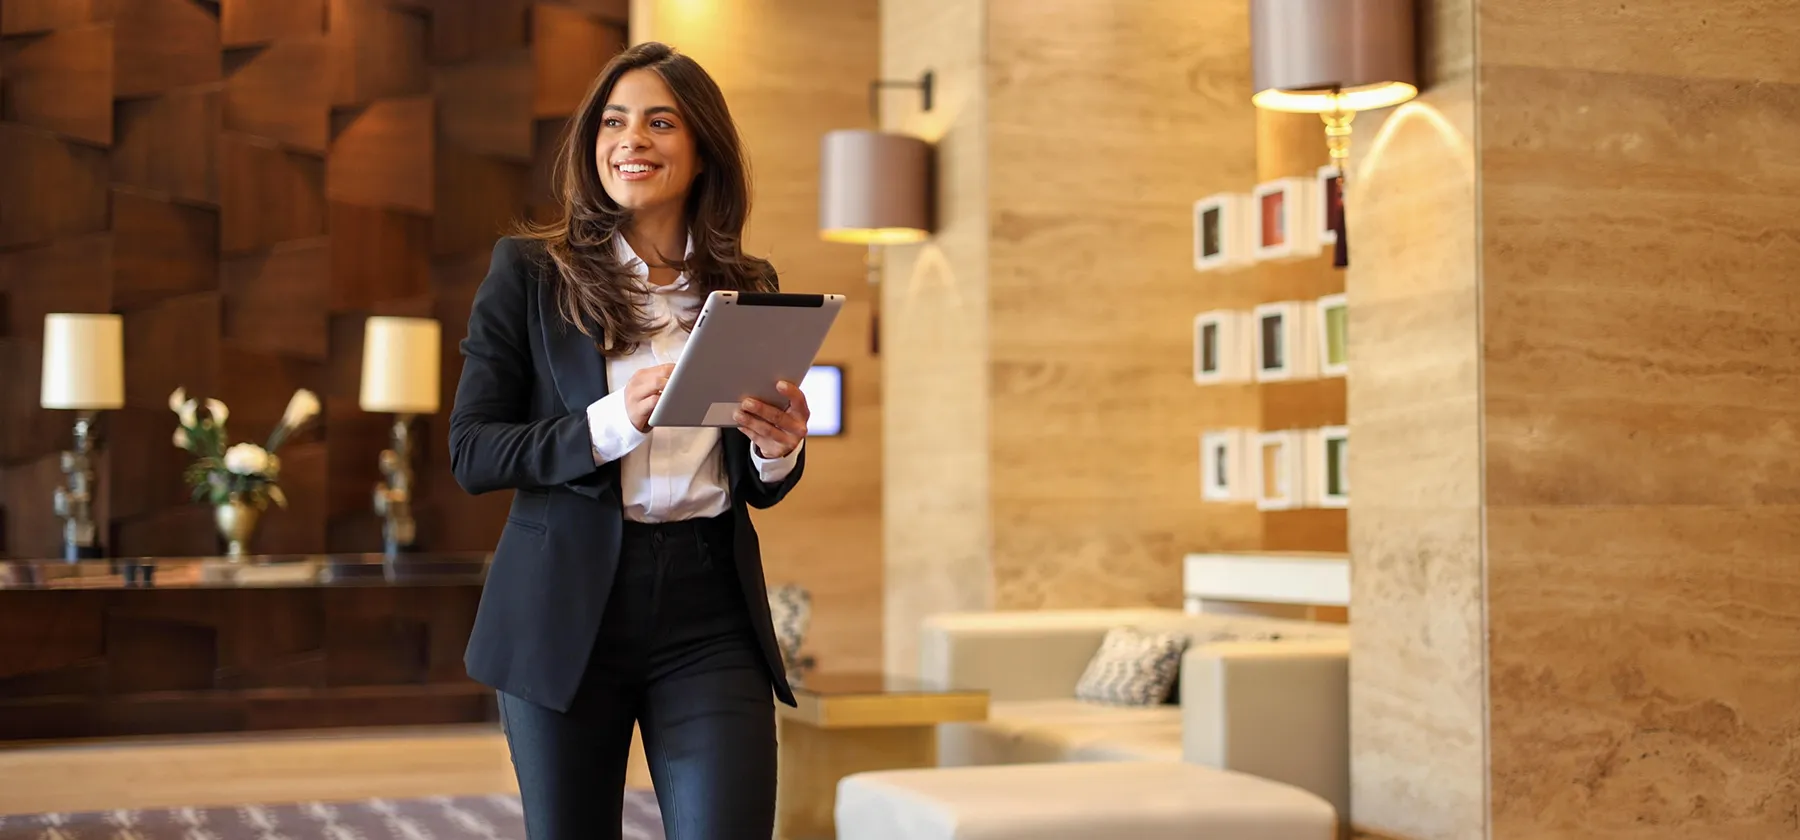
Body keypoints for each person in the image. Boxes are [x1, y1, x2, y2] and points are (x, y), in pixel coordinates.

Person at [446, 41, 810, 840]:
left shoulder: (749, 289)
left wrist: (777, 447)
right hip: (564, 610)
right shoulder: (530, 274)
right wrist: (611, 423)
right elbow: (473, 450)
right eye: (613, 122)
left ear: (703, 147)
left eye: (659, 122)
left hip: (709, 609)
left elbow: (755, 479)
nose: (630, 139)